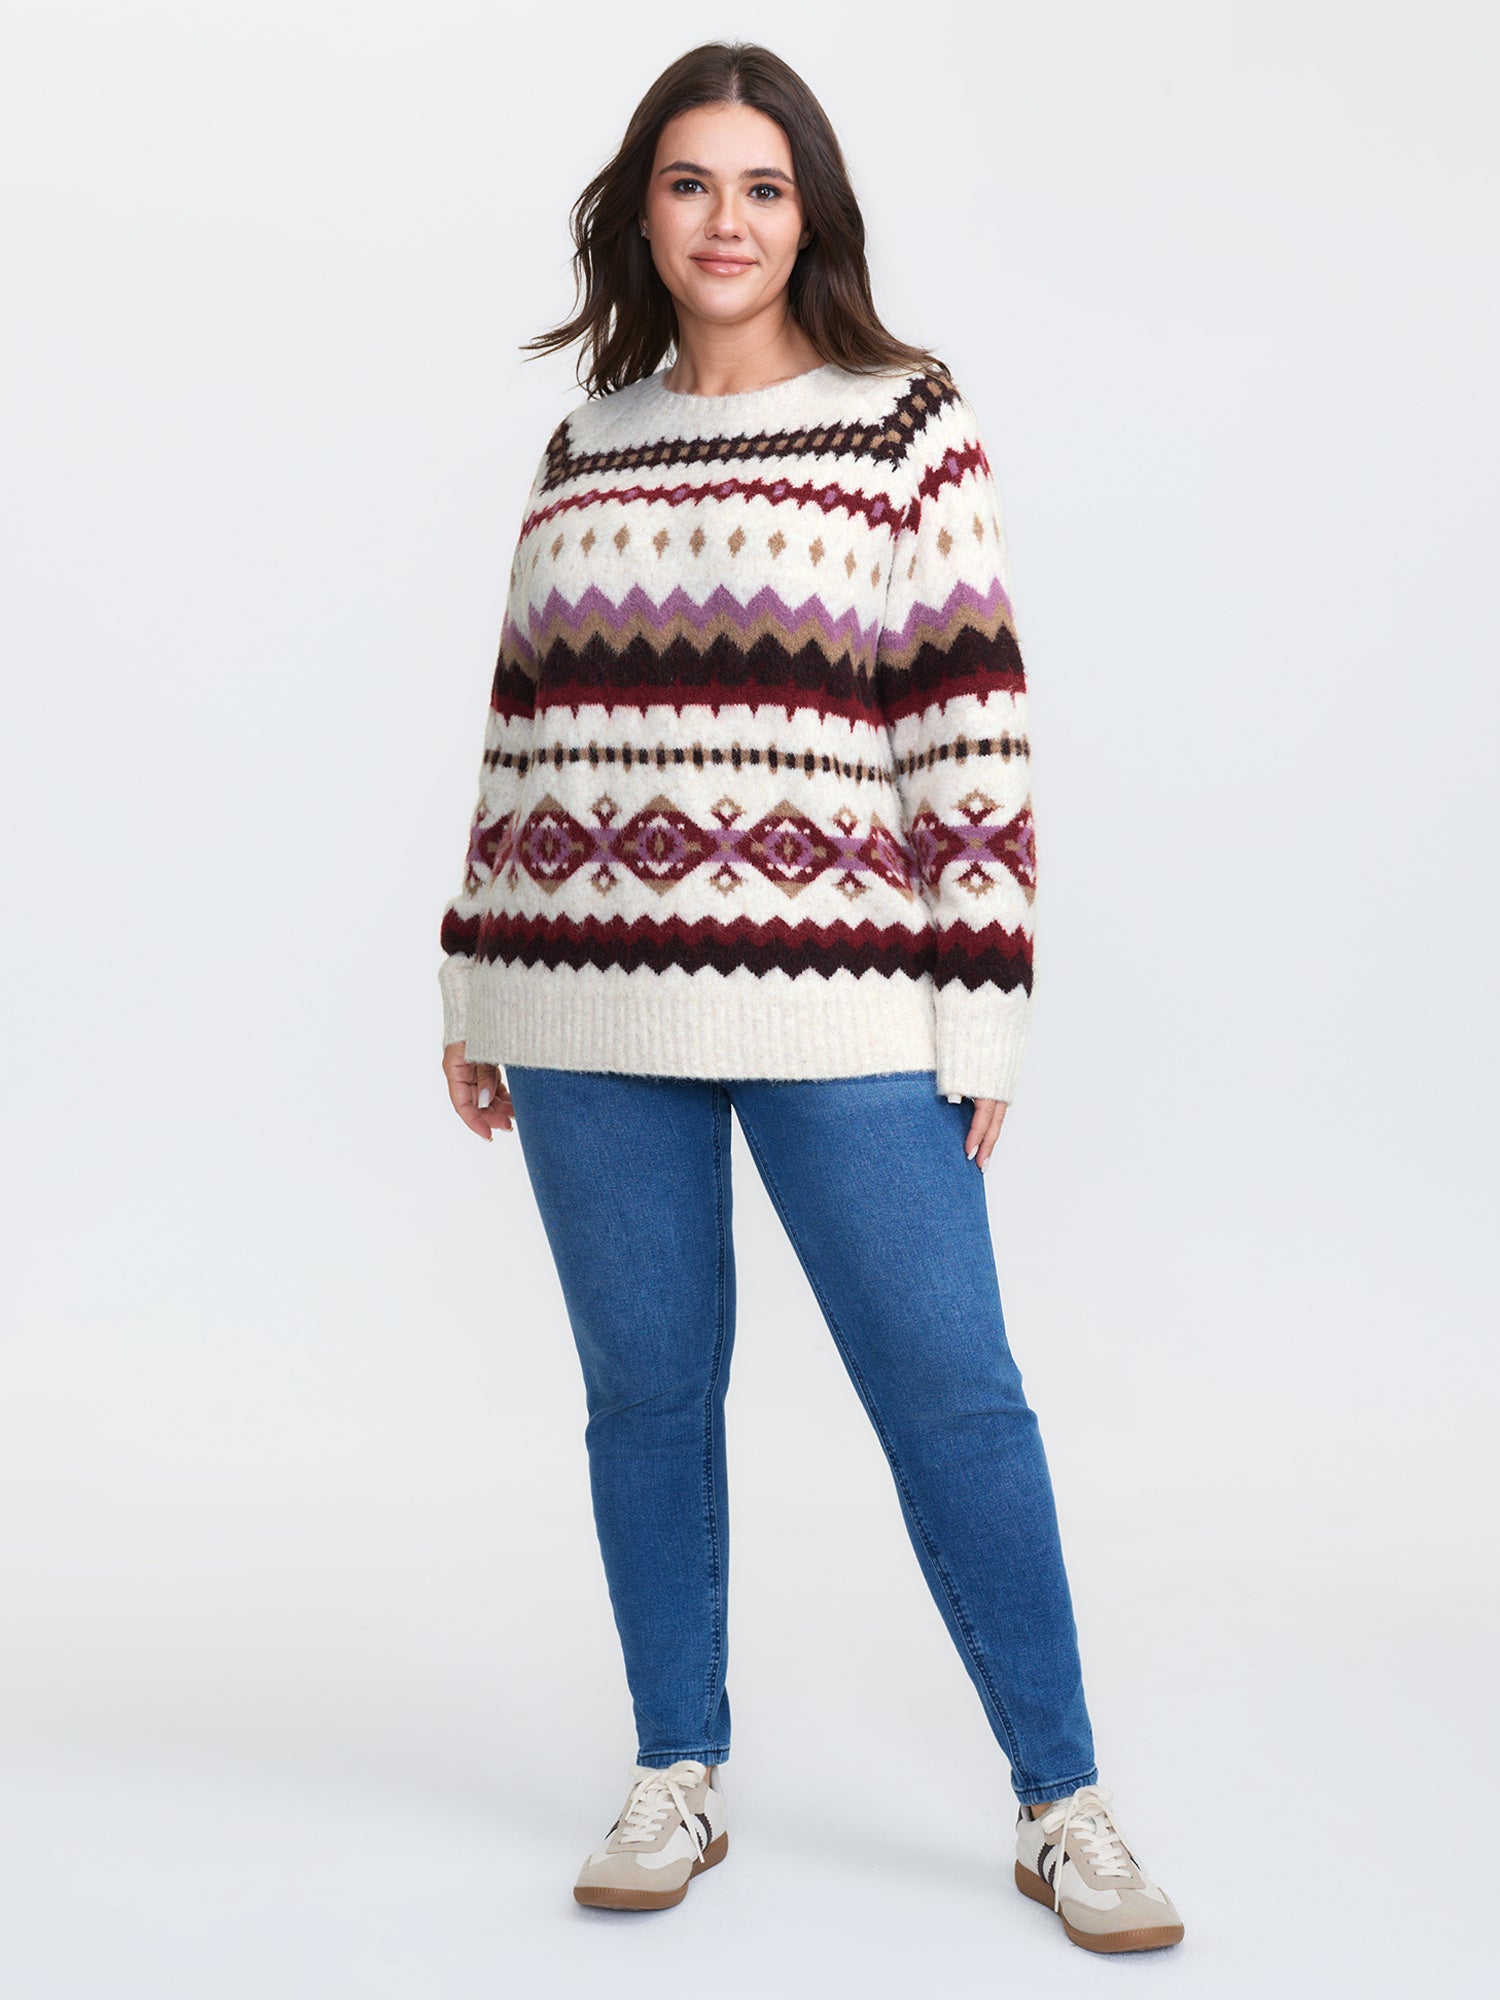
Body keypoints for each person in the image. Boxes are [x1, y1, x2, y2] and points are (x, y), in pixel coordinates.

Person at [436, 40, 1184, 1954]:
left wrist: (984, 1003)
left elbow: (969, 723)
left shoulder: (902, 423)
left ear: (811, 214)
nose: (727, 221)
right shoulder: (584, 446)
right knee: (645, 1400)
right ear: (640, 214)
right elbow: (521, 724)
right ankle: (674, 1767)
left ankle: (1064, 1803)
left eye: (762, 188)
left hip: (844, 1001)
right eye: (690, 184)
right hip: (582, 1003)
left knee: (954, 1400)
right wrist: (473, 972)